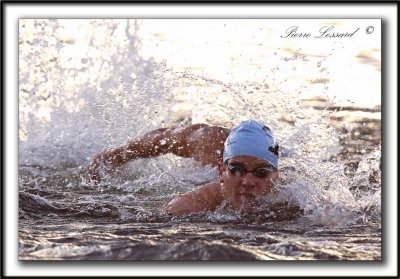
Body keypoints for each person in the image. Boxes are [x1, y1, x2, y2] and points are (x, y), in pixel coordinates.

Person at [87, 120, 283, 216]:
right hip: (208, 142)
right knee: (191, 137)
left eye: (262, 172)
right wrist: (117, 155)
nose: (248, 182)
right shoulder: (196, 199)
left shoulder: (294, 196)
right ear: (221, 170)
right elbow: (162, 138)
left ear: (276, 176)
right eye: (237, 169)